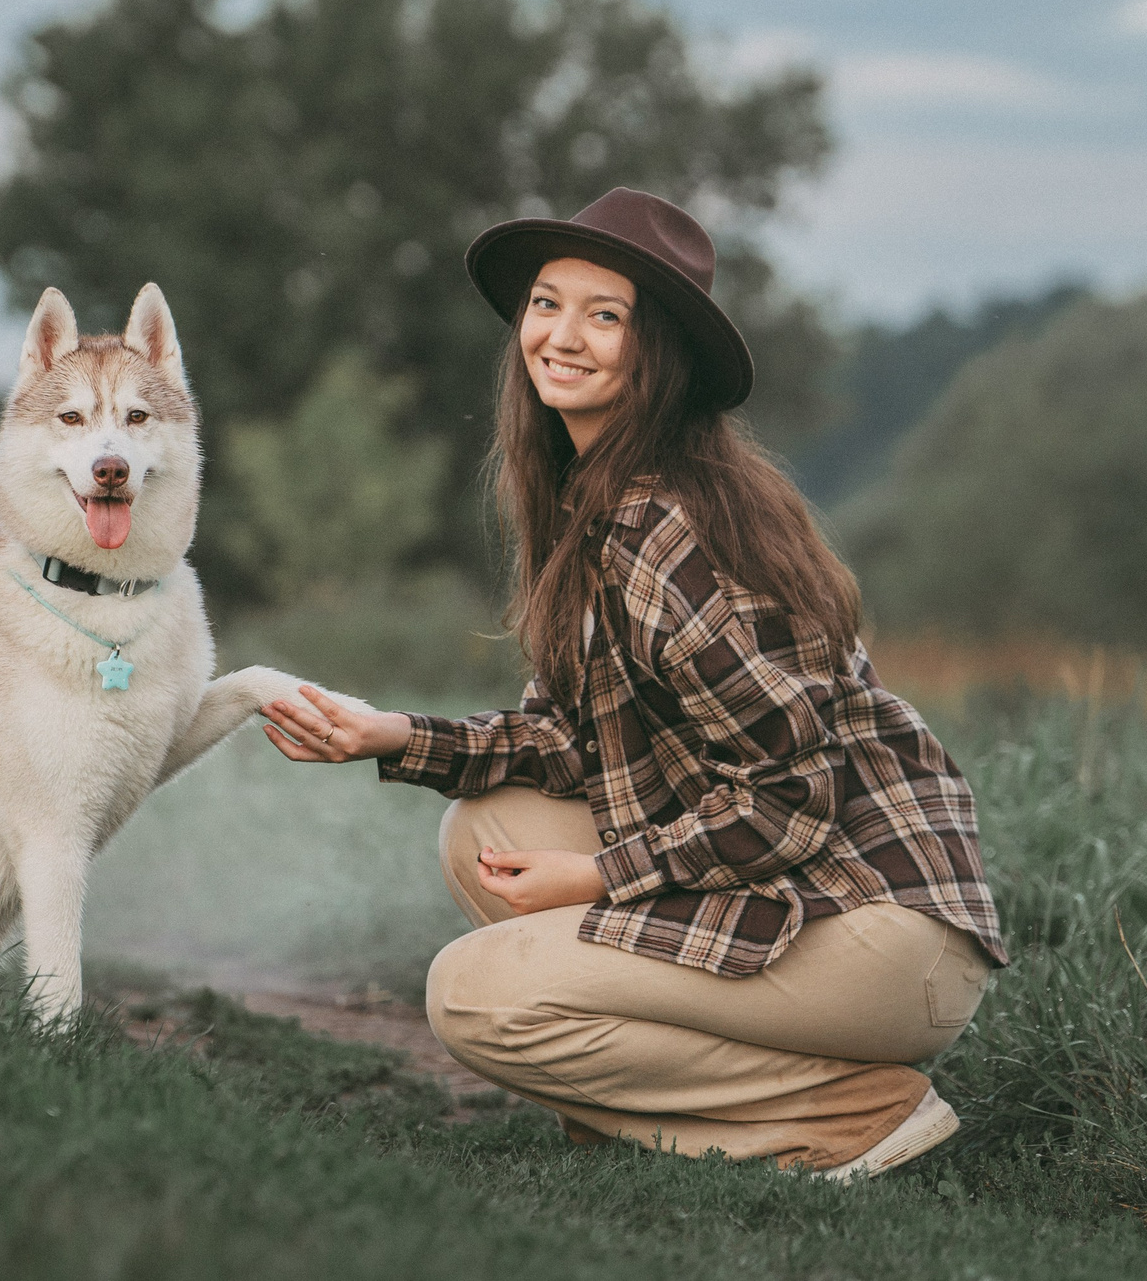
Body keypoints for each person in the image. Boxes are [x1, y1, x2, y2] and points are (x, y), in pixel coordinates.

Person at [259, 187, 1006, 1179]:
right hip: (800, 887)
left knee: (473, 999)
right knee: (485, 829)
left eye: (603, 316)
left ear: (657, 357)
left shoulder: (665, 529)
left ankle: (850, 1113)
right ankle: (649, 1096)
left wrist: (605, 876)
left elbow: (790, 802)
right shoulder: (598, 499)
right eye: (546, 303)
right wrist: (389, 734)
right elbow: (568, 740)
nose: (560, 335)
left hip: (878, 930)